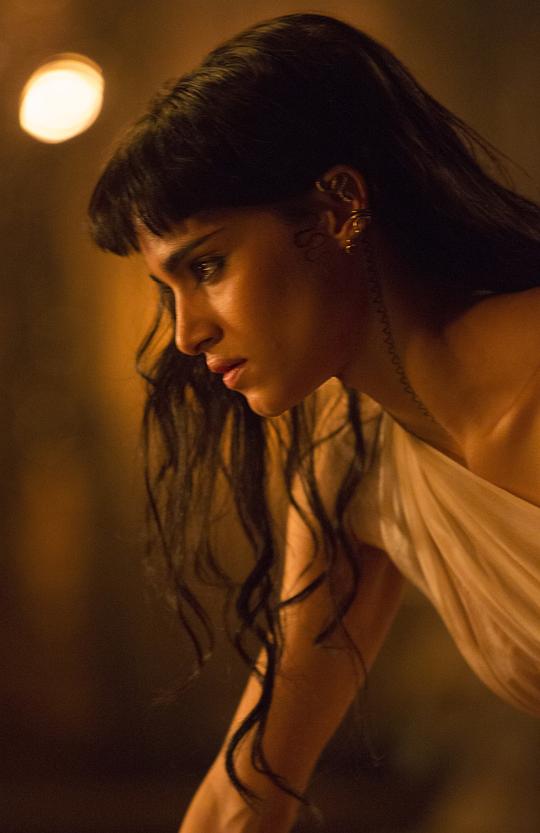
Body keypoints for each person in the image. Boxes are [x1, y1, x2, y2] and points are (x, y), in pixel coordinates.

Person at [88, 12, 540, 832]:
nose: (186, 334)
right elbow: (243, 793)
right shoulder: (352, 469)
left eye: (207, 264)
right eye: (168, 289)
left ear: (338, 206)